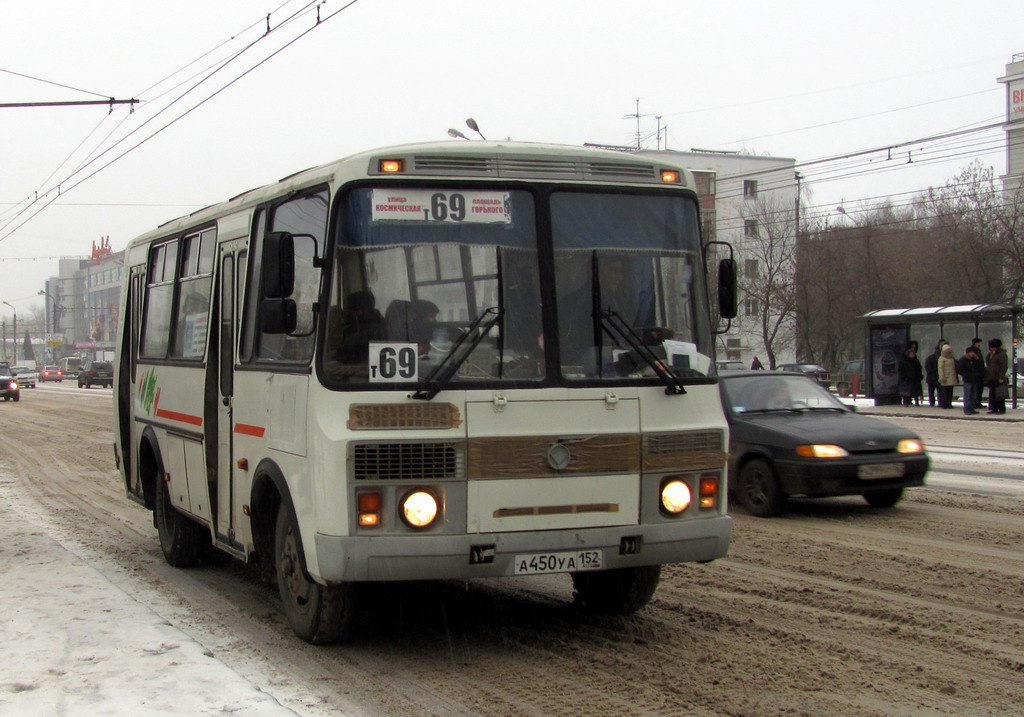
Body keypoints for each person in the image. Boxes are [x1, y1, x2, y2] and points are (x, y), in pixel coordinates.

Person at [957, 346, 984, 416]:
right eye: (972, 352)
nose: (973, 354)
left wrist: (978, 360)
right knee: (968, 395)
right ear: (968, 353)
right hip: (967, 380)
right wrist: (966, 375)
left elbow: (980, 367)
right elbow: (960, 370)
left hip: (974, 379)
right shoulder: (963, 360)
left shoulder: (974, 360)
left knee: (973, 395)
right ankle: (967, 409)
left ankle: (971, 408)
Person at [985, 338, 1009, 414]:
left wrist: (1001, 377)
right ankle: (994, 408)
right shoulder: (991, 354)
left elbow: (1003, 366)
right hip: (991, 377)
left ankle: (1001, 409)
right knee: (992, 394)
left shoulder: (1002, 354)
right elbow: (988, 363)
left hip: (998, 377)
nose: (990, 348)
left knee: (1000, 394)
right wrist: (990, 355)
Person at [923, 340, 943, 407]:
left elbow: (927, 368)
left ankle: (932, 403)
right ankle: (940, 403)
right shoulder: (940, 358)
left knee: (931, 392)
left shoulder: (930, 358)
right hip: (937, 377)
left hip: (931, 378)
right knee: (939, 392)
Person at [937, 344, 957, 409]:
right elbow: (940, 368)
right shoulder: (941, 358)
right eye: (948, 349)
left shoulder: (951, 358)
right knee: (945, 392)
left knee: (950, 392)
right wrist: (942, 377)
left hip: (951, 377)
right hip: (945, 378)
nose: (949, 351)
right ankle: (945, 404)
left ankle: (949, 403)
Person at [971, 337, 986, 409]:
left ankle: (977, 402)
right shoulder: (973, 351)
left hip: (979, 373)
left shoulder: (978, 351)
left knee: (979, 389)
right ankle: (976, 403)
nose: (980, 344)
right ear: (975, 343)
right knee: (977, 389)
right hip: (976, 374)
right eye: (979, 343)